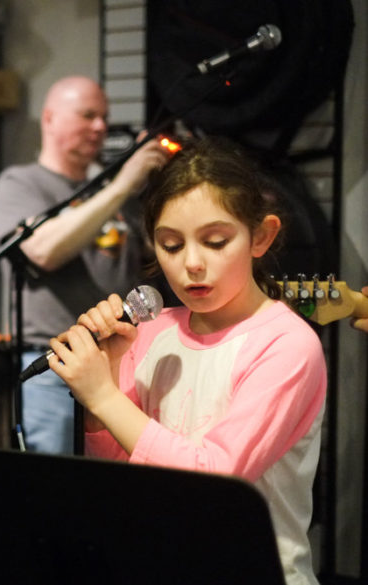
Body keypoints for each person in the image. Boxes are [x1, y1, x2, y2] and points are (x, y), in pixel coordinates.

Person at [48, 136, 326, 585]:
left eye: (215, 241)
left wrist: (102, 394)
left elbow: (214, 482)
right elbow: (121, 472)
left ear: (261, 236)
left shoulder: (287, 345)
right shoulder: (153, 329)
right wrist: (109, 377)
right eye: (171, 246)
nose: (192, 264)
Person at [0, 75, 172, 454]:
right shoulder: (21, 183)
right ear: (50, 118)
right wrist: (121, 185)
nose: (100, 127)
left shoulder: (116, 192)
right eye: (88, 115)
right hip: (55, 362)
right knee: (53, 493)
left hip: (122, 361)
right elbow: (42, 251)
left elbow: (164, 256)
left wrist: (158, 185)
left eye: (104, 117)